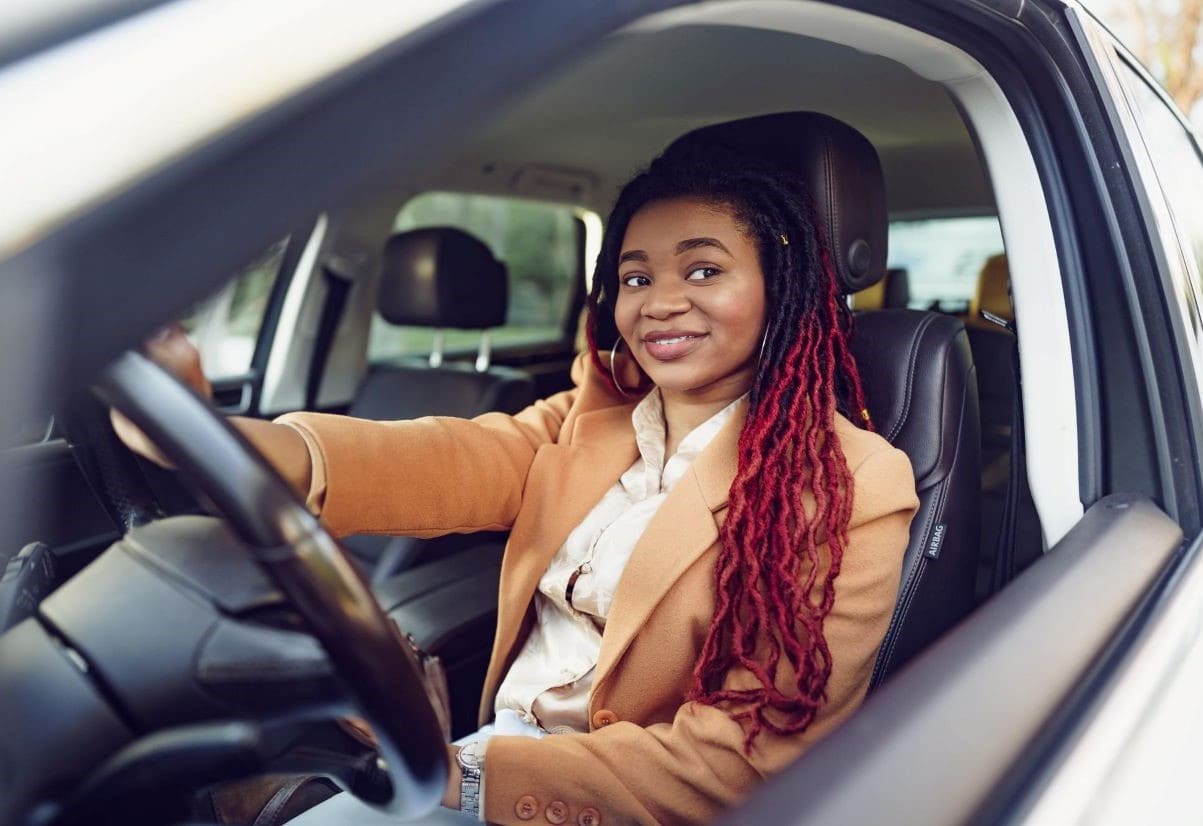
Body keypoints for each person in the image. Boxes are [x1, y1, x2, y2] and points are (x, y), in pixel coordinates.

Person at [116, 141, 918, 825]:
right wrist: (216, 438)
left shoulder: (846, 481)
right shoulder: (594, 418)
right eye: (635, 279)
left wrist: (468, 778)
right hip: (486, 755)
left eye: (703, 270)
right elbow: (439, 459)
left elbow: (738, 764)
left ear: (781, 291)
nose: (660, 304)